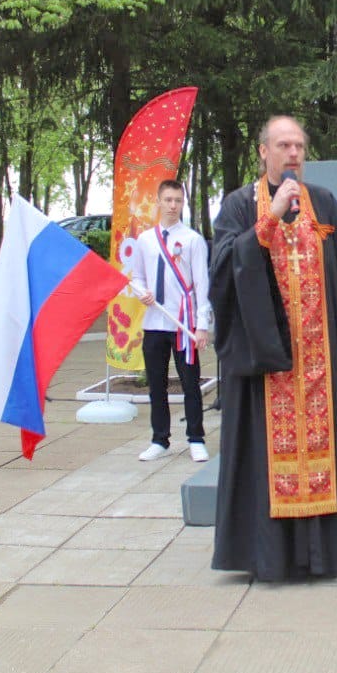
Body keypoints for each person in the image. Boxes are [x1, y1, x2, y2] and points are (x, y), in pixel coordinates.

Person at [209, 115, 337, 581]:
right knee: (266, 460)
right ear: (263, 151)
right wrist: (269, 220)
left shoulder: (322, 203)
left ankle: (320, 556)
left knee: (321, 456)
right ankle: (268, 557)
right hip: (266, 370)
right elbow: (222, 271)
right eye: (283, 145)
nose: (293, 154)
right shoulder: (239, 205)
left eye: (299, 146)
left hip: (319, 365)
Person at [130, 179, 213, 462]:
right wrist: (142, 293)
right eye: (168, 200)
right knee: (157, 384)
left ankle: (196, 438)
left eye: (178, 200)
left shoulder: (192, 240)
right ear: (158, 202)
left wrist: (202, 325)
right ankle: (159, 439)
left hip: (183, 323)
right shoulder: (145, 240)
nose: (173, 206)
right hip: (154, 323)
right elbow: (137, 276)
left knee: (191, 383)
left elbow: (202, 283)